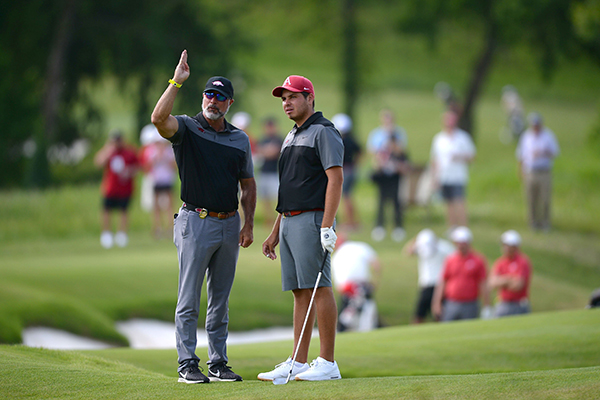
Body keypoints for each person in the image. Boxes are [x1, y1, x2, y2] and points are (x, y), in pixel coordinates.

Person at [150, 50, 256, 384]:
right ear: (202, 96)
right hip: (195, 220)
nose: (213, 100)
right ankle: (186, 364)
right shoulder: (187, 127)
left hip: (229, 223)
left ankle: (218, 362)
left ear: (229, 103)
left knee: (220, 300)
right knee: (189, 297)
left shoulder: (239, 139)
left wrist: (248, 222)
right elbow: (157, 119)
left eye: (220, 97)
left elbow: (248, 185)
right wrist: (175, 82)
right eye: (209, 93)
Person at [260, 75, 344, 382]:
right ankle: (297, 361)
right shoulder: (290, 136)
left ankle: (328, 362)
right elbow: (290, 188)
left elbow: (335, 179)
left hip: (312, 219)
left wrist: (326, 225)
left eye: (293, 97)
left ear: (310, 98)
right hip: (290, 220)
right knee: (300, 291)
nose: (287, 103)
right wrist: (273, 232)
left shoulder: (324, 132)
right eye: (283, 98)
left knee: (320, 287)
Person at [429, 110, 476, 232]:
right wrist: (434, 178)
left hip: (458, 176)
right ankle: (452, 228)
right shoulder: (439, 139)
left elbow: (472, 156)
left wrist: (460, 156)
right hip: (444, 176)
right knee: (448, 203)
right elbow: (435, 160)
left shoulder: (463, 137)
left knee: (459, 202)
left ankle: (464, 229)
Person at [367, 109, 410, 242]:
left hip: (395, 171)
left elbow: (402, 150)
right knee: (381, 200)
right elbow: (373, 152)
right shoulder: (377, 134)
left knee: (397, 200)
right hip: (382, 171)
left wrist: (392, 144)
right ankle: (380, 226)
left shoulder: (399, 133)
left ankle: (398, 226)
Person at [431, 226, 491, 322]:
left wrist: (487, 305)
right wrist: (437, 303)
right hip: (451, 303)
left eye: (463, 242)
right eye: (458, 242)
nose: (461, 245)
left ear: (469, 243)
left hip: (470, 304)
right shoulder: (450, 260)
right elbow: (442, 282)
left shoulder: (478, 260)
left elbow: (483, 284)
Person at [94, 130, 139, 249]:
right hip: (110, 188)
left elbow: (137, 167)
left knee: (123, 211)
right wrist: (107, 150)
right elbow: (98, 163)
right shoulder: (109, 152)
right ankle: (106, 234)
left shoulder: (129, 152)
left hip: (125, 188)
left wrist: (129, 172)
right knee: (106, 211)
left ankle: (122, 234)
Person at [516, 112, 560, 232]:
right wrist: (520, 171)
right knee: (531, 198)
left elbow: (555, 152)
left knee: (545, 198)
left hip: (544, 171)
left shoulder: (548, 136)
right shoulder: (526, 136)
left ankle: (545, 222)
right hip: (530, 171)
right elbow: (520, 155)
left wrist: (543, 152)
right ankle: (533, 222)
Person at [331, 232, 381, 332]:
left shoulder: (336, 256)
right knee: (367, 312)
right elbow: (377, 265)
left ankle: (341, 332)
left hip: (349, 288)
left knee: (347, 316)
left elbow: (339, 286)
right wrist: (375, 282)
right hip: (363, 287)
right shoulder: (361, 247)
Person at [404, 229, 455, 323]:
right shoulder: (420, 246)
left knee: (439, 313)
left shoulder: (445, 247)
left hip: (440, 284)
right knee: (418, 315)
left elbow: (455, 259)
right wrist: (416, 240)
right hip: (425, 283)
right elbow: (407, 252)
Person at [488, 230, 532, 317]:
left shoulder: (522, 261)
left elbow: (518, 285)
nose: (505, 247)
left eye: (508, 245)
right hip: (503, 303)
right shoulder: (500, 262)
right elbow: (492, 283)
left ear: (516, 246)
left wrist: (501, 280)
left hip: (519, 305)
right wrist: (510, 279)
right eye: (504, 245)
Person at [332, 113, 362, 230]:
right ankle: (353, 221)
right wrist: (356, 164)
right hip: (351, 169)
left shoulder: (339, 140)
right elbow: (360, 152)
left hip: (344, 170)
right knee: (348, 196)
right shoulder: (351, 139)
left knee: (345, 196)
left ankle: (350, 222)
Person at [147, 137, 177, 238]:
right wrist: (158, 157)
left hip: (167, 179)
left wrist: (165, 157)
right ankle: (157, 227)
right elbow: (148, 165)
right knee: (156, 206)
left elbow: (174, 166)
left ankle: (170, 227)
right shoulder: (152, 151)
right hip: (157, 180)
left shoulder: (169, 151)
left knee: (169, 205)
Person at [256, 116, 284, 226]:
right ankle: (269, 219)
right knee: (265, 198)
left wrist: (266, 151)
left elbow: (273, 152)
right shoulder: (263, 139)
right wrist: (267, 151)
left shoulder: (279, 139)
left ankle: (279, 219)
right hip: (263, 171)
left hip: (274, 172)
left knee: (276, 197)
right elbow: (260, 151)